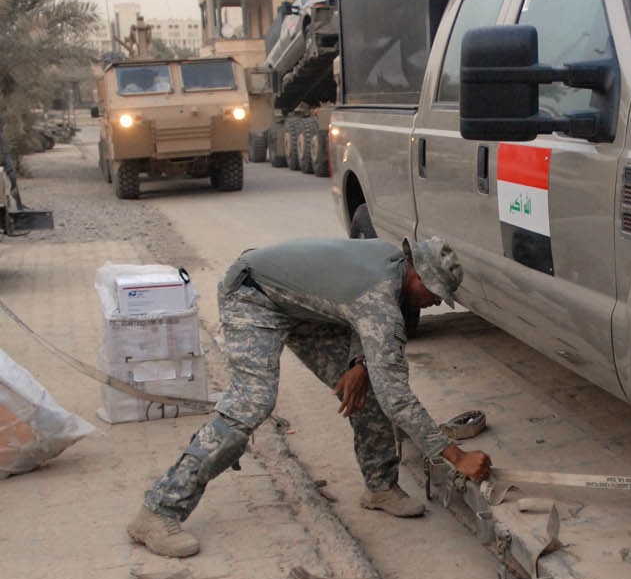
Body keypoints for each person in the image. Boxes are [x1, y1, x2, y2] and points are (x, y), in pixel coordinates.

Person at [127, 235, 491, 557]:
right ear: (417, 277)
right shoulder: (379, 297)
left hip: (301, 305)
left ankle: (380, 487)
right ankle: (160, 510)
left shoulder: (389, 263)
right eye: (435, 294)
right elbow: (397, 392)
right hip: (253, 295)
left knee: (368, 387)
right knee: (251, 404)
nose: (436, 304)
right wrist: (454, 456)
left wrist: (359, 363)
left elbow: (351, 310)